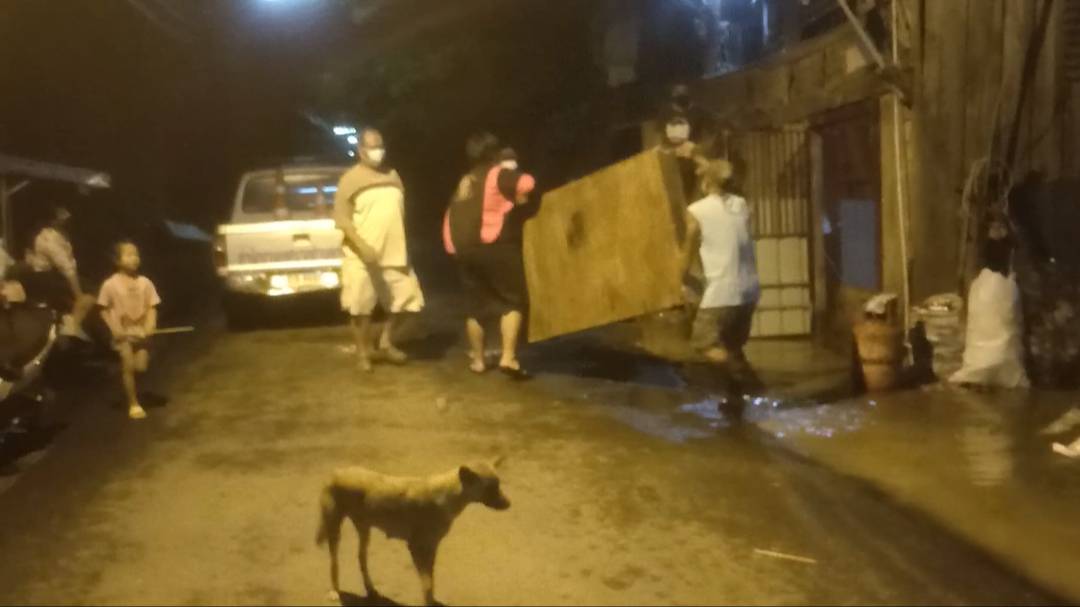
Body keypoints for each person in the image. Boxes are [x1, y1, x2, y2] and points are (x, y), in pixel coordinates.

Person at [334, 128, 425, 372]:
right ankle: (364, 352)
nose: (378, 152)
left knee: (409, 302)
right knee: (360, 308)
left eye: (380, 146)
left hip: (395, 254)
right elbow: (342, 220)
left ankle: (386, 341)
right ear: (361, 150)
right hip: (362, 256)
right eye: (372, 147)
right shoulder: (349, 179)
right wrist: (362, 247)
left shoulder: (393, 175)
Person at [444, 136, 536, 379]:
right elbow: (527, 183)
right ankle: (508, 358)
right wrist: (511, 176)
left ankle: (478, 360)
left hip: (464, 251)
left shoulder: (465, 182)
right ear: (494, 154)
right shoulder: (497, 174)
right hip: (495, 247)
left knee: (476, 308)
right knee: (513, 301)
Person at [684, 159, 760, 368]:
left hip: (721, 292)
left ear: (706, 182)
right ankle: (740, 389)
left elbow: (689, 246)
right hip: (749, 291)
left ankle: (743, 377)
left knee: (703, 344)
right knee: (733, 345)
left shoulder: (697, 210)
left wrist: (681, 275)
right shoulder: (742, 205)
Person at [98, 241, 161, 420]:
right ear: (117, 260)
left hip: (141, 333)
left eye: (136, 254)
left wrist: (150, 325)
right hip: (122, 335)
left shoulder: (145, 282)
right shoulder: (110, 284)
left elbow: (152, 306)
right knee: (128, 366)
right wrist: (114, 329)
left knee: (140, 367)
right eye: (128, 254)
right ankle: (133, 403)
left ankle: (134, 390)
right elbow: (103, 309)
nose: (134, 258)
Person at [21, 206, 95, 340]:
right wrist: (78, 294)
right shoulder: (49, 237)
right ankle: (72, 325)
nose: (67, 217)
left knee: (87, 286)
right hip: (44, 278)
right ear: (53, 219)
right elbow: (66, 268)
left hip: (49, 276)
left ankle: (73, 323)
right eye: (62, 214)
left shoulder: (59, 234)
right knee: (89, 293)